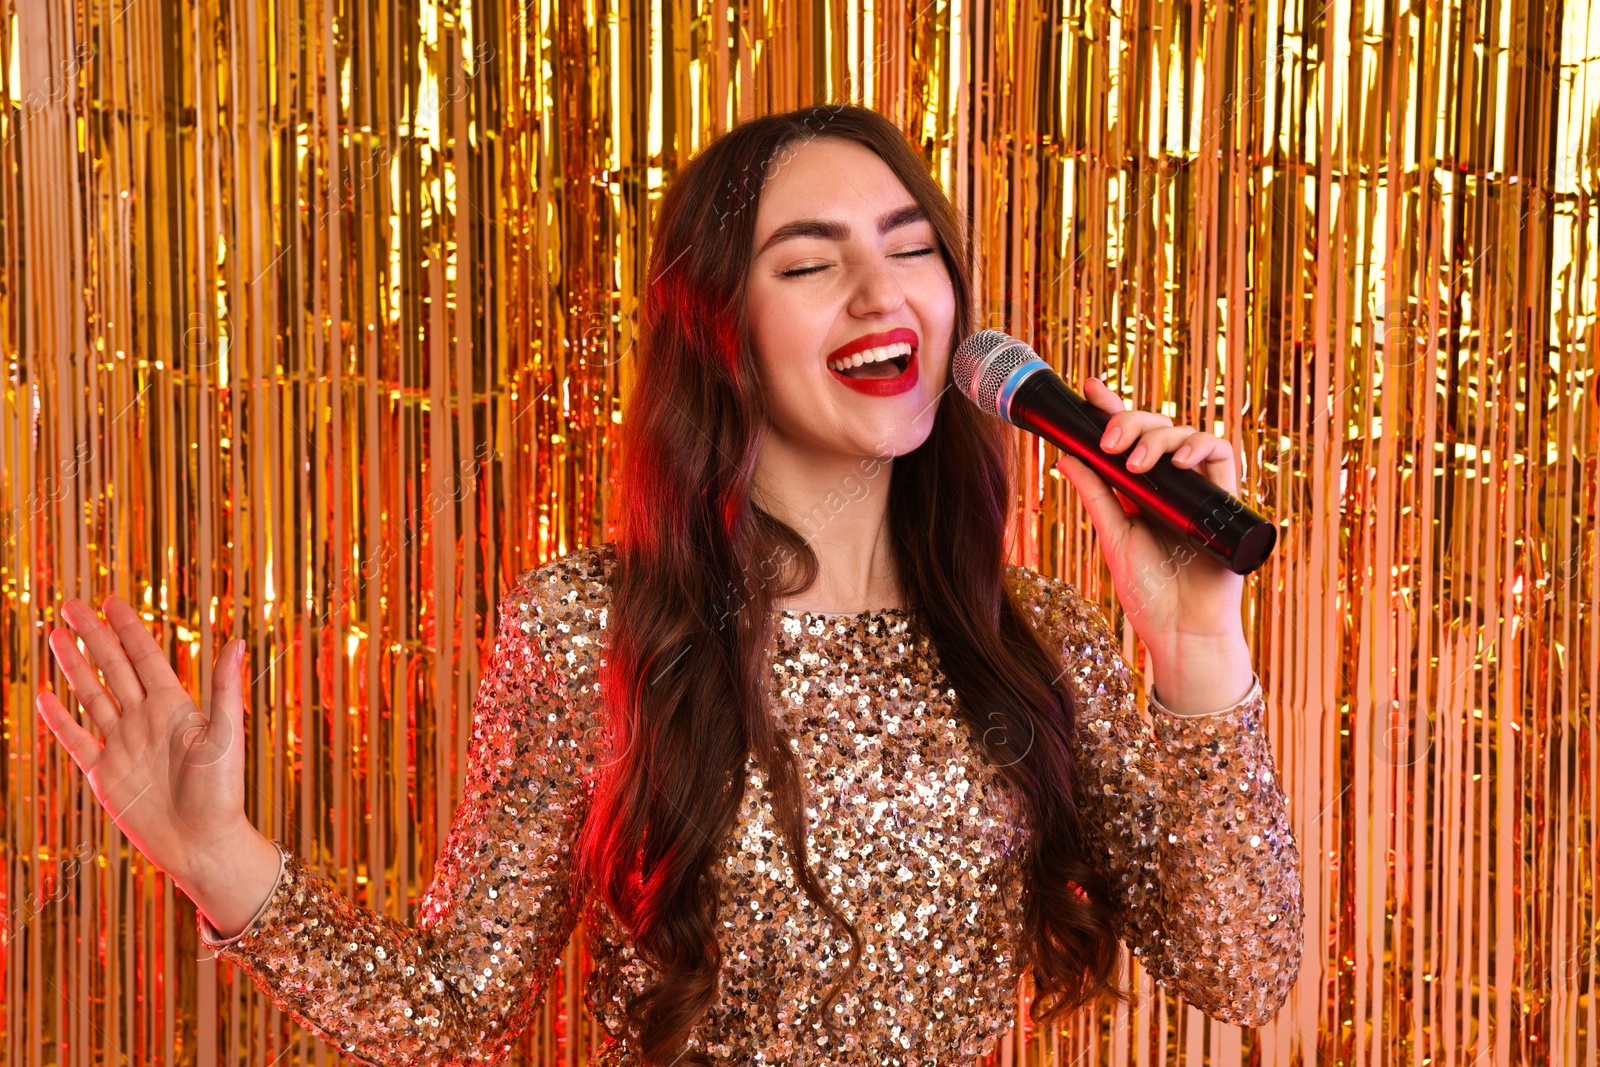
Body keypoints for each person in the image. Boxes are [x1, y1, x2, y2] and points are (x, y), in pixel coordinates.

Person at [36, 104, 1302, 1066]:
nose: (880, 292)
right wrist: (215, 853)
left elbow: (1246, 976)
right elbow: (453, 1006)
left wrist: (1197, 647)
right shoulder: (592, 624)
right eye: (809, 264)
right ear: (722, 327)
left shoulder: (1042, 641)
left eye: (910, 249)